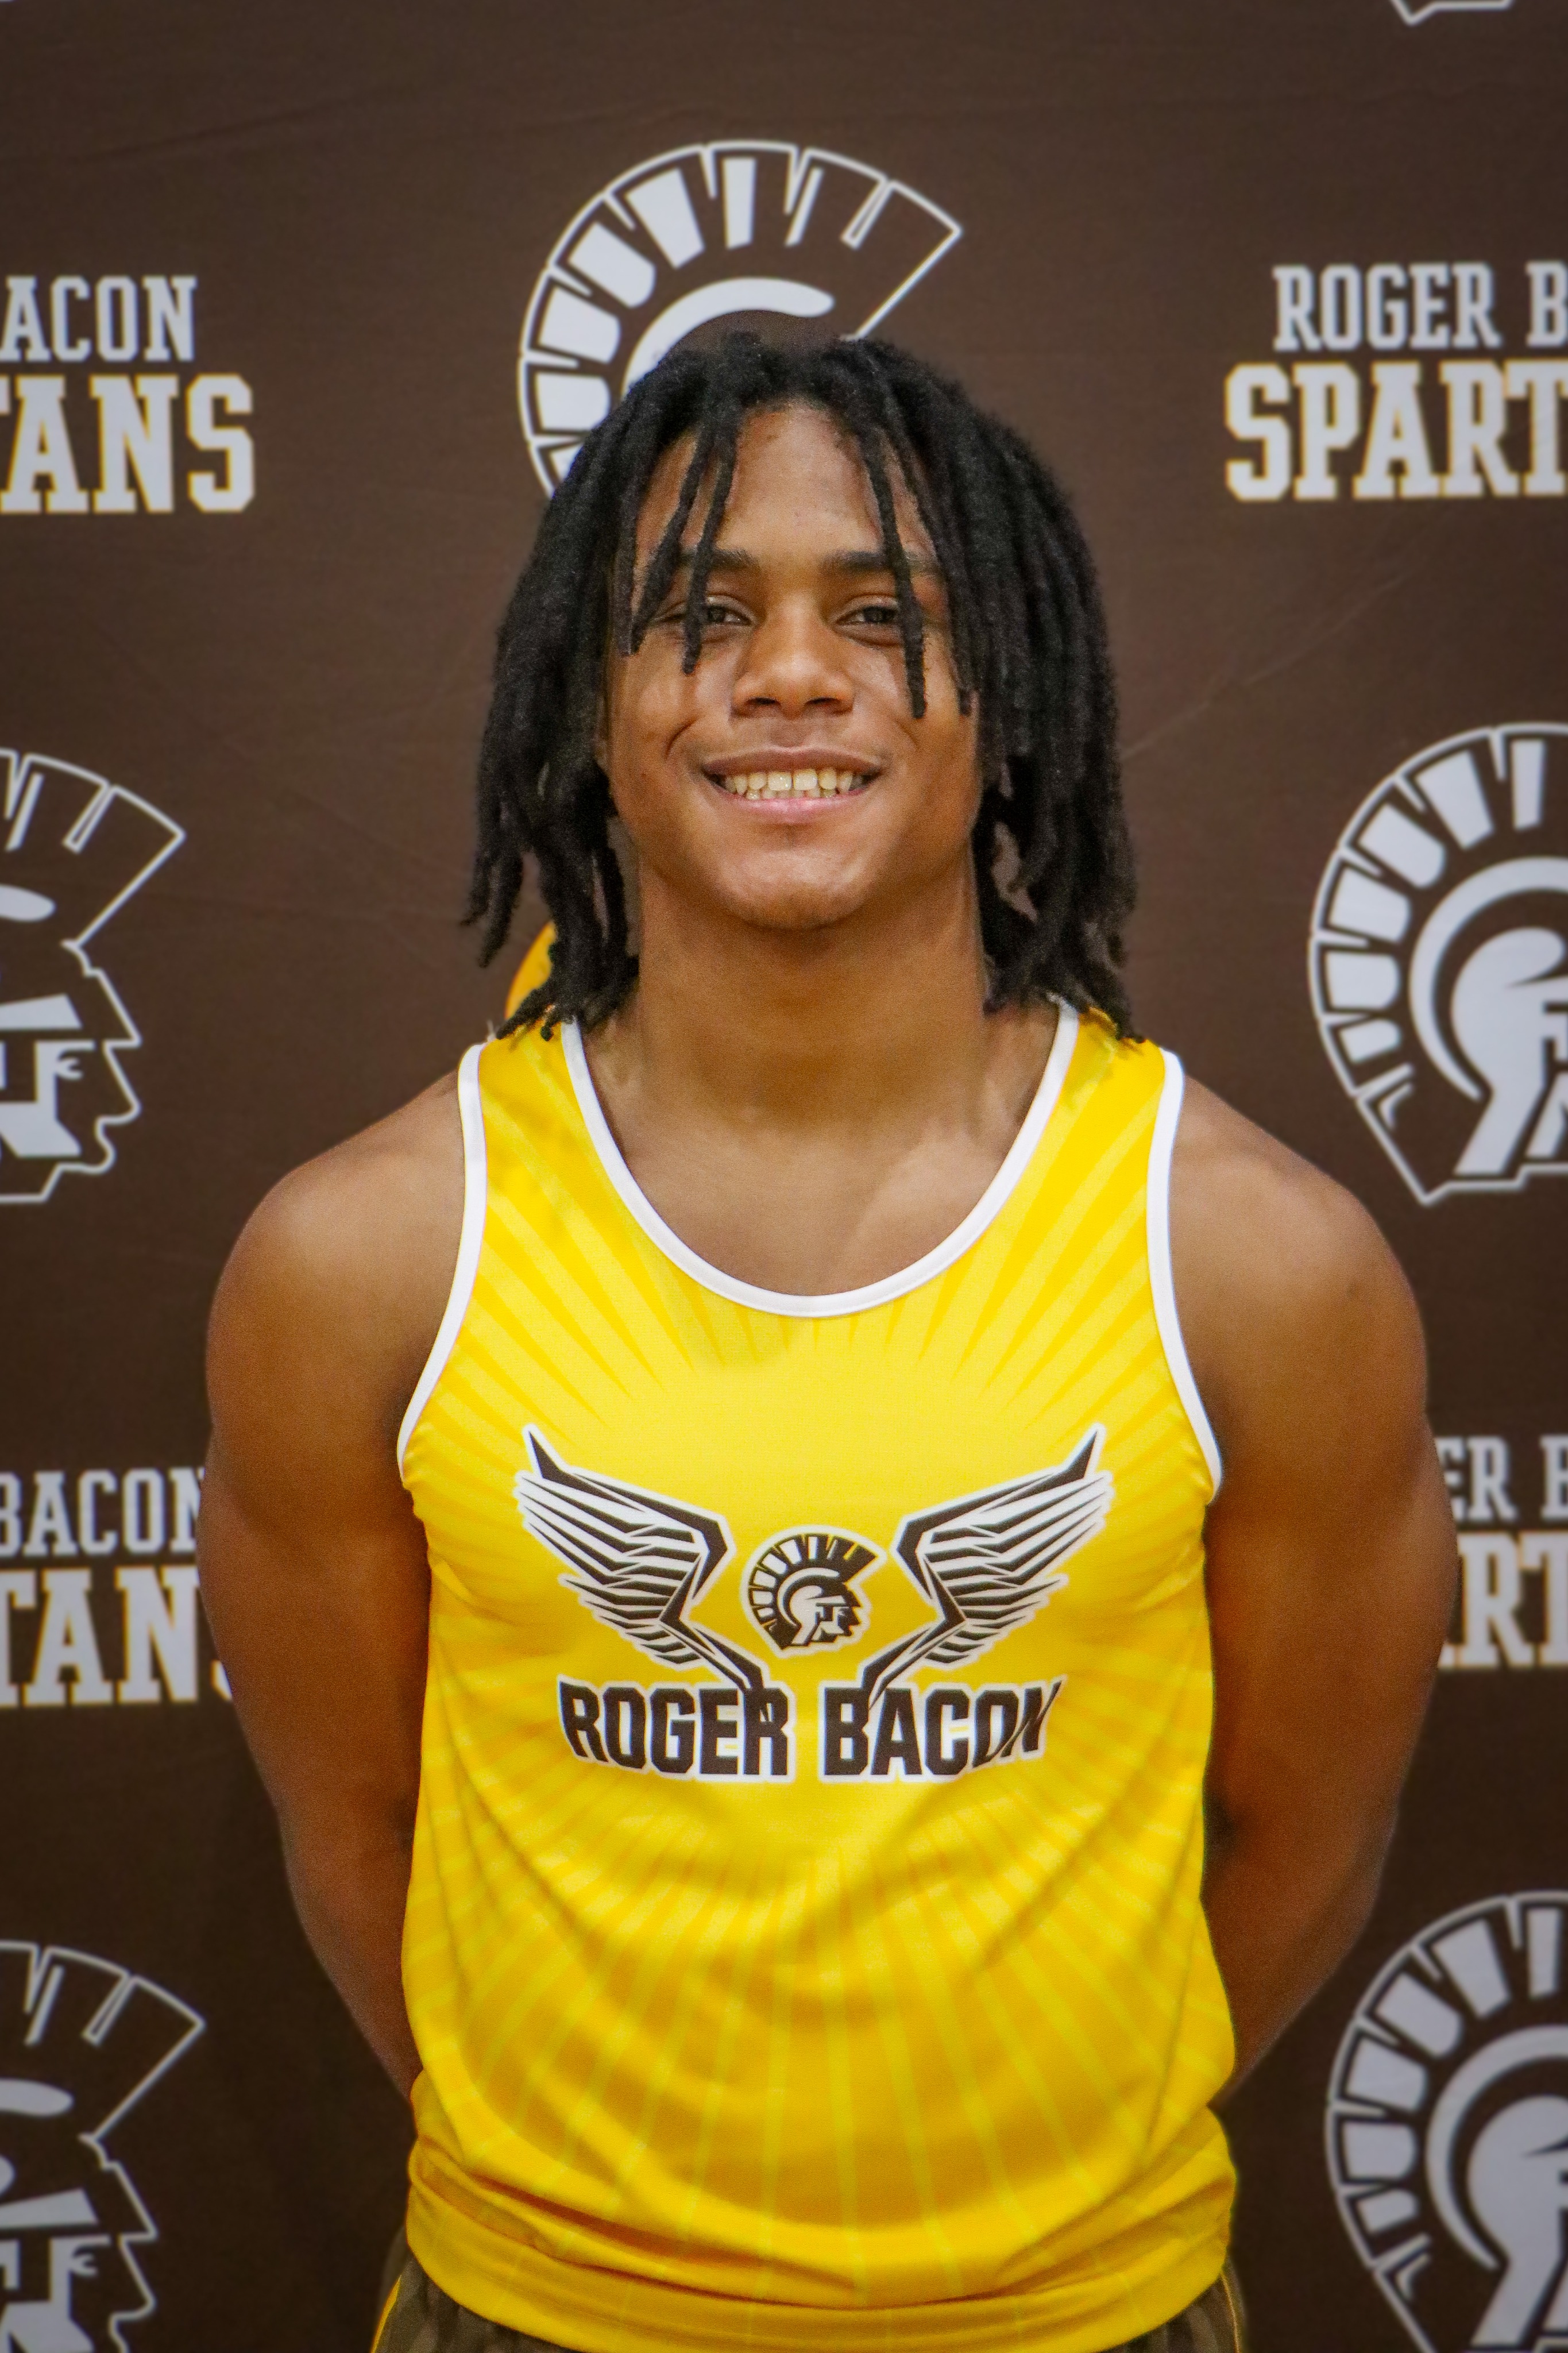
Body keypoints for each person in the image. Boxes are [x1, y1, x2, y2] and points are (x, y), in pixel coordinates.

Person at [198, 334, 1457, 2353]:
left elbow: (1312, 1828)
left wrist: (1035, 2200)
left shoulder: (1252, 1262)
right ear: (587, 701)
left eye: (884, 619)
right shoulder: (363, 1260)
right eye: (701, 617)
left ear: (1010, 698)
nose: (791, 675)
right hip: (532, 2313)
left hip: (1091, 2315)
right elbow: (355, 1833)